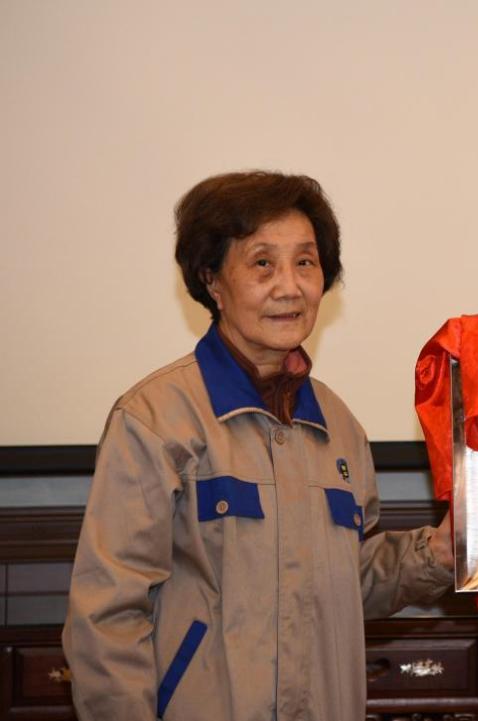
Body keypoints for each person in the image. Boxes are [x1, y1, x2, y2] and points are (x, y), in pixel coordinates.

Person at [62, 171, 455, 721]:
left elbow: (346, 582)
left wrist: (438, 554)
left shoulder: (340, 426)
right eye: (263, 263)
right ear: (212, 281)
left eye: (306, 262)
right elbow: (107, 613)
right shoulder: (154, 418)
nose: (289, 287)